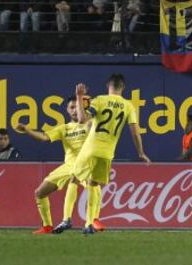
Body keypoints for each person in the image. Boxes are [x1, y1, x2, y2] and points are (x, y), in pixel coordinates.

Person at [53, 73, 150, 235]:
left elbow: (82, 119)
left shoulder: (99, 100)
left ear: (108, 86)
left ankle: (67, 219)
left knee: (74, 179)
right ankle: (89, 224)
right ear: (123, 88)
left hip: (90, 148)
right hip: (107, 153)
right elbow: (135, 132)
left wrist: (79, 96)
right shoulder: (128, 106)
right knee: (93, 185)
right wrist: (141, 152)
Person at [15, 94, 105, 234]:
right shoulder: (64, 129)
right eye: (71, 107)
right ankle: (47, 226)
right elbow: (44, 137)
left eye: (77, 107)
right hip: (68, 166)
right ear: (67, 110)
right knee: (40, 193)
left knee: (94, 185)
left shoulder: (91, 123)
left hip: (86, 165)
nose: (74, 110)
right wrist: (27, 130)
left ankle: (94, 219)